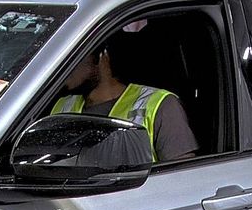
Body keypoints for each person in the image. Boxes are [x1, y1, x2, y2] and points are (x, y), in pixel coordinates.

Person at [50, 30, 198, 163]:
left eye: (72, 56)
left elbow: (183, 180)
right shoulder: (60, 106)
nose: (63, 65)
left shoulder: (160, 105)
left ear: (102, 56)